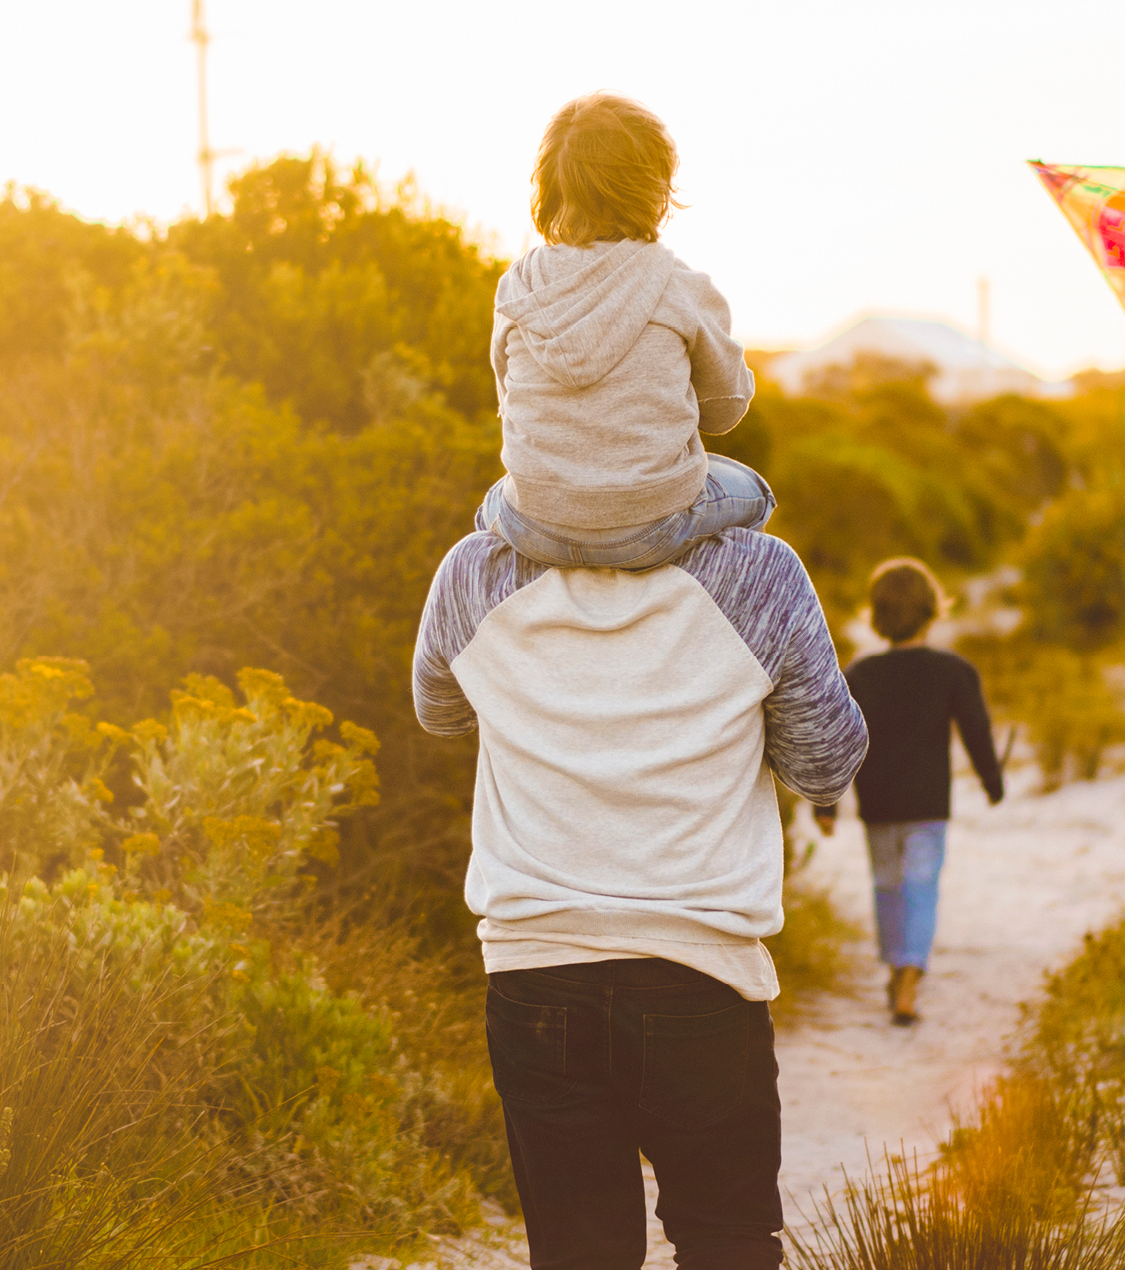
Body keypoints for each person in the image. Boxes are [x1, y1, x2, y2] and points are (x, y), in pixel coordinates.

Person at [409, 520, 865, 1262]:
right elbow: (826, 767)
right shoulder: (762, 571)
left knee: (579, 1254)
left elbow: (441, 711)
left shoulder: (473, 571)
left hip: (536, 974)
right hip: (701, 974)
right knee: (728, 1241)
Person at [477, 93, 770, 572]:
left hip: (535, 526)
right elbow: (725, 411)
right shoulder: (680, 285)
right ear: (654, 189)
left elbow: (507, 403)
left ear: (550, 186)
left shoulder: (518, 285)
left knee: (494, 499)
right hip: (652, 530)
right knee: (755, 492)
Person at [811, 558, 1003, 1026]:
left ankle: (897, 967)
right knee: (920, 886)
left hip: (877, 805)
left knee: (887, 886)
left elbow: (834, 739)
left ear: (876, 617)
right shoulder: (953, 671)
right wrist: (992, 782)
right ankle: (910, 980)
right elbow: (976, 731)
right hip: (927, 805)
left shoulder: (858, 674)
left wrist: (826, 802)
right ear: (932, 610)